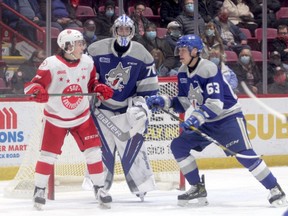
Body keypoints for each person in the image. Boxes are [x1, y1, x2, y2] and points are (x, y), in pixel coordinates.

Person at [145, 34, 287, 207]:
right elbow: (183, 102)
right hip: (205, 120)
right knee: (178, 146)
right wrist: (164, 101)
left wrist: (195, 119)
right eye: (179, 50)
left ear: (195, 51)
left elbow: (216, 104)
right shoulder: (182, 72)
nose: (180, 53)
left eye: (183, 50)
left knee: (244, 155)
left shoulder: (208, 68)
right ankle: (197, 187)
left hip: (227, 118)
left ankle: (275, 188)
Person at [24, 29, 114, 210]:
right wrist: (37, 91)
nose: (83, 46)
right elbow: (32, 86)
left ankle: (100, 188)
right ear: (68, 46)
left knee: (94, 152)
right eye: (79, 43)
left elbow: (91, 84)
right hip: (55, 118)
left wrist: (99, 87)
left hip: (81, 116)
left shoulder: (87, 62)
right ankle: (39, 190)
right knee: (48, 156)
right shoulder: (51, 64)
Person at [87, 14, 159, 202]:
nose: (124, 33)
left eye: (127, 30)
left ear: (133, 32)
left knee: (133, 148)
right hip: (101, 108)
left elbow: (149, 88)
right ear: (114, 30)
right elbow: (86, 76)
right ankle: (99, 184)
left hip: (127, 109)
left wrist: (142, 106)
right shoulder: (95, 50)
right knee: (101, 149)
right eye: (121, 29)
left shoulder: (142, 54)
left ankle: (141, 186)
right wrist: (93, 89)